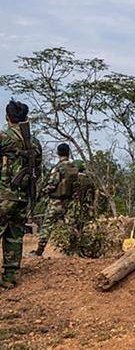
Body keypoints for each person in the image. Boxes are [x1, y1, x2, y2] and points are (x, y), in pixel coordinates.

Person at [0, 100, 42, 289]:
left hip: (3, 196)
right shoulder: (35, 143)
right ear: (26, 118)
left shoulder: (4, 137)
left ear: (7, 117)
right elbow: (37, 171)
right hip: (22, 198)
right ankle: (9, 278)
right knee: (14, 236)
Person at [33, 143, 79, 256]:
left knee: (47, 226)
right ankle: (72, 252)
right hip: (70, 202)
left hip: (56, 202)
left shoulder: (58, 168)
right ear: (68, 152)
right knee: (70, 226)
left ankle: (39, 251)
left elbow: (52, 184)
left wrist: (43, 191)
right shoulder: (74, 167)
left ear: (58, 153)